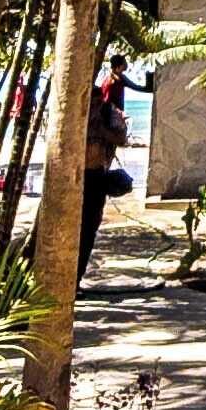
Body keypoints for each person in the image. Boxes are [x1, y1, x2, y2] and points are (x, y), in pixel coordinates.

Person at [77, 57, 134, 280]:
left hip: (96, 174)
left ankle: (78, 277)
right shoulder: (75, 118)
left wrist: (100, 127)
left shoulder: (107, 113)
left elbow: (121, 137)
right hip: (76, 174)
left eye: (97, 104)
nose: (94, 108)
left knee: (90, 226)